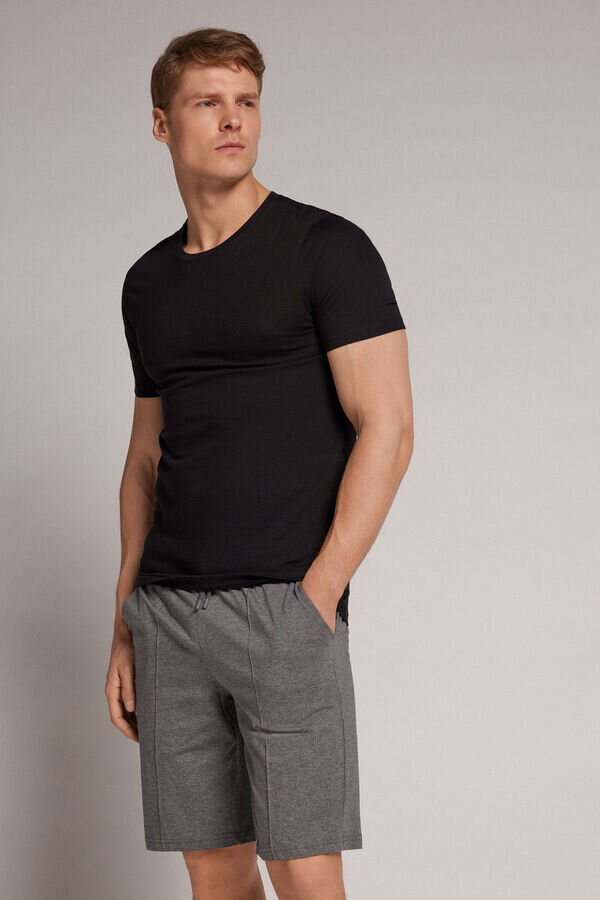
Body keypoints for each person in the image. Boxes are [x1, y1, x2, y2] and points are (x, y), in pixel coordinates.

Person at [105, 25, 414, 900]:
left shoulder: (326, 248)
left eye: (246, 101)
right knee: (214, 873)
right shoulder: (147, 283)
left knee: (306, 874)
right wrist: (125, 622)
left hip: (284, 608)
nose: (233, 120)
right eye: (208, 102)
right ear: (162, 124)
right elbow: (145, 460)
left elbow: (388, 426)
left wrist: (317, 598)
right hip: (169, 615)